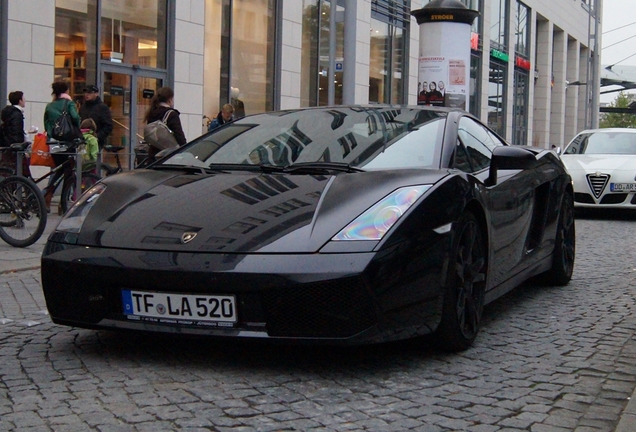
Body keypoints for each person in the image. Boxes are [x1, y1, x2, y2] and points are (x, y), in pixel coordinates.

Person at [43, 81, 81, 212]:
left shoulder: (50, 106)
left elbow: (46, 124)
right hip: (66, 143)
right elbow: (76, 118)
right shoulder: (69, 103)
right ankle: (62, 204)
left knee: (58, 170)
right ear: (66, 90)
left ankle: (47, 197)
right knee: (69, 173)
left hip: (53, 143)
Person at [144, 86, 186, 160]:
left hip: (153, 154)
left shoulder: (152, 113)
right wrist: (186, 149)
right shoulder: (172, 114)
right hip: (167, 156)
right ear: (170, 99)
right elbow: (179, 135)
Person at [79, 85, 113, 149]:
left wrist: (97, 136)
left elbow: (108, 126)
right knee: (83, 158)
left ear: (96, 94)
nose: (86, 95)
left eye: (89, 93)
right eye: (85, 93)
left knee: (94, 157)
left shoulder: (102, 108)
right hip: (83, 141)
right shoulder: (83, 107)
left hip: (96, 142)